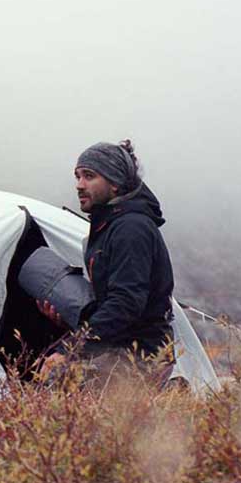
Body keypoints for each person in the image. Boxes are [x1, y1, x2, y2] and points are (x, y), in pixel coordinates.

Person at [39, 139, 176, 381]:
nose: (80, 185)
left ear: (115, 183)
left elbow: (126, 303)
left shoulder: (131, 228)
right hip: (119, 348)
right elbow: (112, 301)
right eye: (77, 176)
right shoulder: (108, 225)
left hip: (140, 356)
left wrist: (71, 350)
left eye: (89, 176)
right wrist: (70, 318)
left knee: (57, 388)